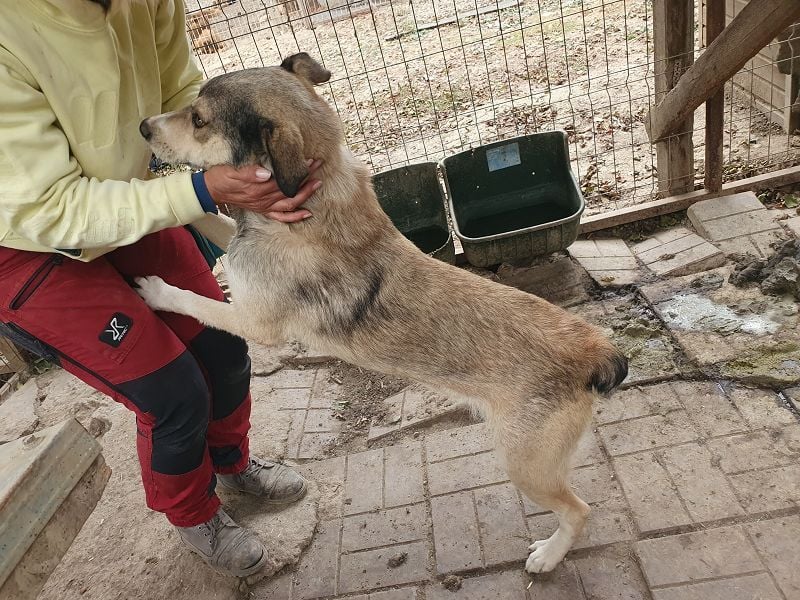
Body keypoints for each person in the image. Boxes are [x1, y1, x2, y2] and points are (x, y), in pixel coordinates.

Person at [0, 0, 318, 578]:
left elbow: (183, 92)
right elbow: (46, 206)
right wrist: (201, 191)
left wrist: (242, 157)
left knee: (222, 349)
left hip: (120, 196)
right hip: (26, 241)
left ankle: (233, 464)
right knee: (173, 391)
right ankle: (194, 514)